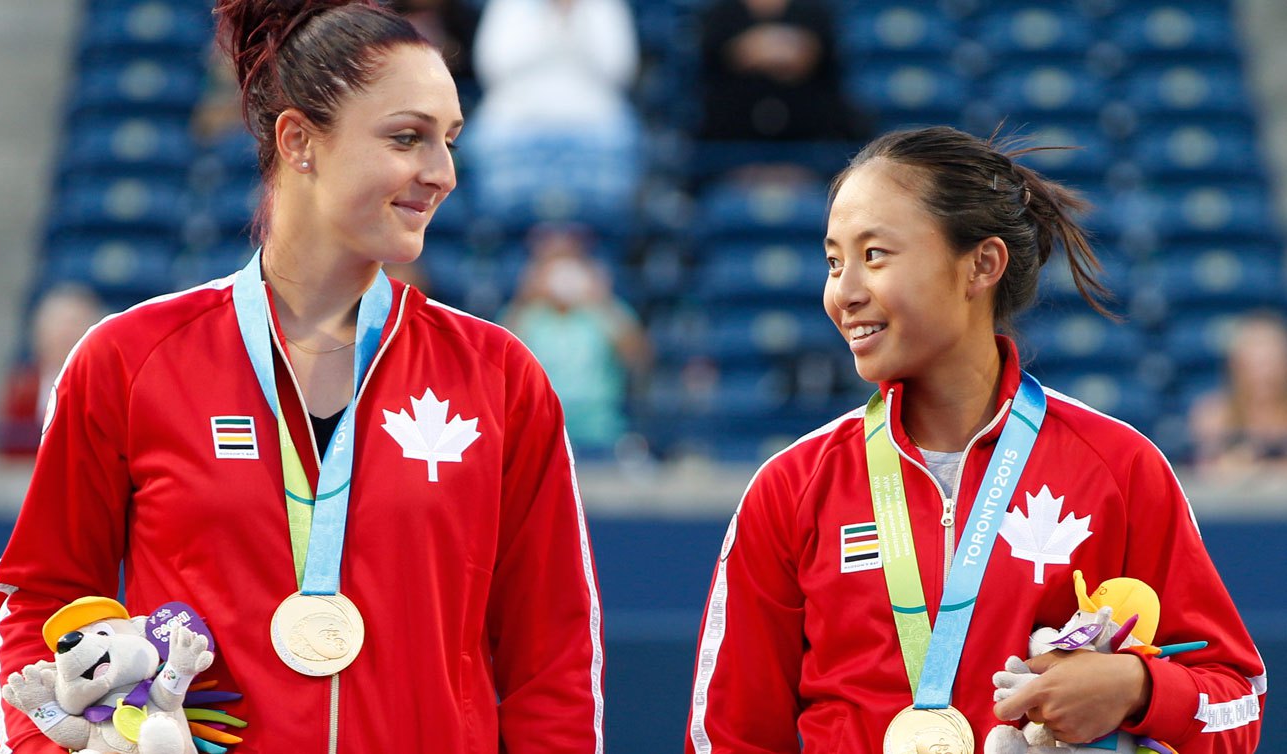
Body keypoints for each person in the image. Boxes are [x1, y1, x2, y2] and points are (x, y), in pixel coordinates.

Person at [0, 4, 604, 753]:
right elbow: (39, 603)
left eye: (449, 141)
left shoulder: (498, 378)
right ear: (300, 141)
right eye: (407, 137)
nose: (441, 173)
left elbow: (554, 664)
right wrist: (57, 746)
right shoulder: (130, 359)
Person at [685, 126, 1264, 753]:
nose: (843, 293)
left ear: (982, 264)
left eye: (874, 254)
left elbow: (1238, 705)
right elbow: (729, 738)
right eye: (833, 261)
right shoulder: (792, 487)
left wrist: (1138, 687)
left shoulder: (1118, 467)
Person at [465, 0, 641, 220]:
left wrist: (573, 19)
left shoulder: (604, 6)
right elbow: (493, 66)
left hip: (592, 114)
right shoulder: (509, 5)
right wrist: (550, 23)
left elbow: (619, 69)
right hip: (517, 115)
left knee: (620, 137)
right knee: (488, 138)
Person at [500, 222, 649, 454]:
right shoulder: (527, 314)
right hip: (538, 432)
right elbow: (499, 364)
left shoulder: (604, 311)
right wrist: (524, 298)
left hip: (599, 432)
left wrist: (601, 299)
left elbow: (638, 358)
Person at [697, 0, 869, 144]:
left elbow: (816, 57)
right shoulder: (720, 15)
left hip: (810, 140)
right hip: (731, 142)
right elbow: (716, 60)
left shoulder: (815, 13)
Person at [0, 284, 106, 458]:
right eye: (58, 323)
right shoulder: (22, 388)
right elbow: (7, 451)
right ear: (39, 332)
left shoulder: (108, 388)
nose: (66, 333)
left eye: (75, 323)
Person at [1189, 309, 1287, 473]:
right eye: (1253, 365)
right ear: (1235, 366)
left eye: (1270, 364)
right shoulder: (1212, 416)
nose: (1263, 375)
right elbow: (1206, 476)